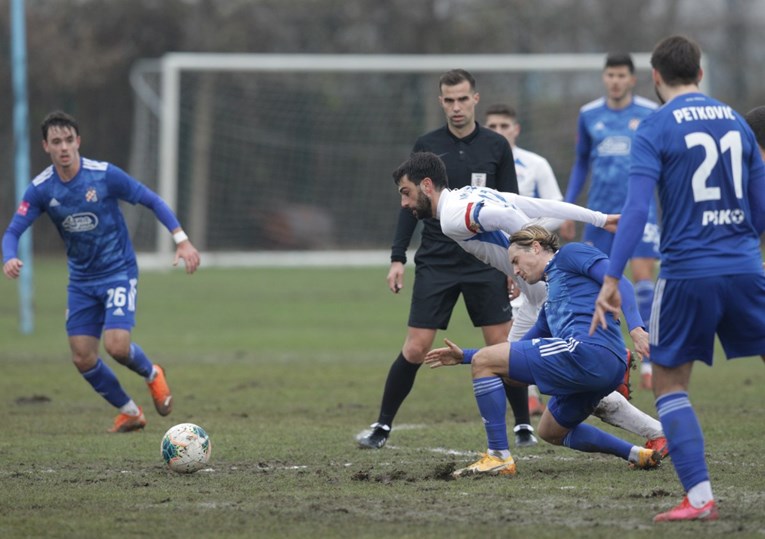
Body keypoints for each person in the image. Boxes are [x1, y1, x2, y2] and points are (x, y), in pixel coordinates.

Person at [394, 151, 668, 475]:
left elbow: (514, 222)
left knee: (495, 364)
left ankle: (498, 454)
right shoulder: (472, 193)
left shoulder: (455, 216)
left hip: (543, 291)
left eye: (405, 192)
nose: (404, 204)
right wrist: (596, 218)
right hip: (537, 297)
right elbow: (536, 206)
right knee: (523, 391)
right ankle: (643, 441)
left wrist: (525, 255)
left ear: (426, 185)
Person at [592, 36, 765, 522]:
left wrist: (611, 276)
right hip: (746, 266)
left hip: (687, 273)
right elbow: (760, 207)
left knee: (668, 382)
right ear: (702, 74)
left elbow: (636, 211)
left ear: (655, 78)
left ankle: (701, 498)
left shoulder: (654, 127)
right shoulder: (737, 122)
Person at [357, 69, 536, 449]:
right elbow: (409, 204)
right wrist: (396, 258)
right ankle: (382, 426)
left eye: (462, 99)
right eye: (448, 100)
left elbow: (509, 207)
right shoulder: (426, 145)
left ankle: (523, 426)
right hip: (437, 260)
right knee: (416, 347)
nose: (456, 107)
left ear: (475, 99)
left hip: (485, 259)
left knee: (502, 343)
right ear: (441, 102)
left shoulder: (496, 146)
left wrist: (513, 263)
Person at [2, 111, 201, 433]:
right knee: (82, 357)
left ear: (78, 141)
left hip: (118, 271)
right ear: (46, 147)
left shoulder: (104, 175)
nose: (64, 147)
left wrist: (182, 241)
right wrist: (9, 257)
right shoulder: (41, 189)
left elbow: (151, 200)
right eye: (56, 142)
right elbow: (12, 231)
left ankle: (152, 374)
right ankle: (131, 411)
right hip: (81, 281)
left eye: (69, 140)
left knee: (117, 347)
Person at [425, 225, 662, 477]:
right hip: (599, 368)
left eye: (516, 261)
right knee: (550, 430)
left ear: (536, 248)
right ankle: (637, 454)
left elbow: (619, 280)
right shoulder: (551, 304)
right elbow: (514, 350)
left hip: (588, 351)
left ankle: (498, 456)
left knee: (487, 363)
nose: (515, 271)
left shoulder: (570, 254)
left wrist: (636, 327)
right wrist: (466, 356)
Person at [560, 53, 660, 390]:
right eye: (610, 75)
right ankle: (614, 358)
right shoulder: (589, 115)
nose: (615, 81)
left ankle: (649, 360)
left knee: (644, 279)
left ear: (632, 79)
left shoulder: (648, 113)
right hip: (600, 216)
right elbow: (580, 163)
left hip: (640, 212)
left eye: (621, 75)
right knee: (600, 284)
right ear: (604, 78)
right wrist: (569, 207)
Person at [485, 103, 564, 415]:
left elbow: (557, 208)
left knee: (528, 319)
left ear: (516, 129)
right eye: (493, 126)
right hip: (494, 256)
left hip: (528, 260)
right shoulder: (482, 164)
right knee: (514, 325)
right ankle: (529, 392)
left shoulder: (535, 164)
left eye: (505, 126)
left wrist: (527, 235)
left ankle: (534, 392)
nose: (499, 132)